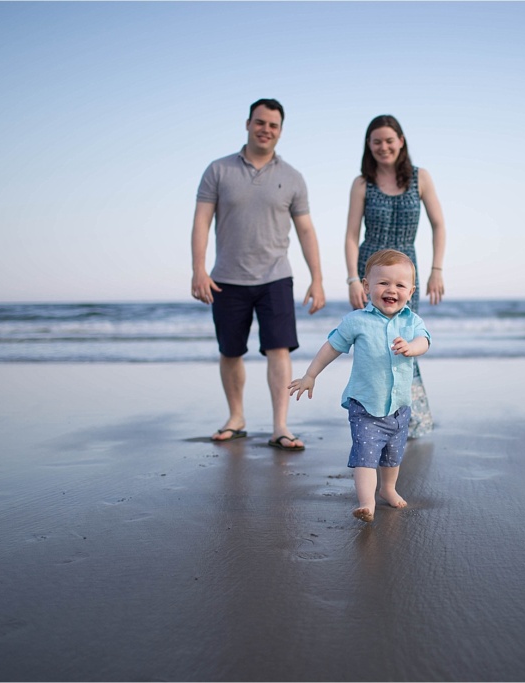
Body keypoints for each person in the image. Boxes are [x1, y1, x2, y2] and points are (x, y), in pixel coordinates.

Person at [190, 98, 325, 451]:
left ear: (281, 131)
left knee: (279, 349)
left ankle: (280, 426)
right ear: (248, 124)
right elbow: (201, 221)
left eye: (274, 125)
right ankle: (236, 418)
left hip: (276, 277)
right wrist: (198, 270)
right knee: (230, 351)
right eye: (260, 122)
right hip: (226, 277)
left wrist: (318, 278)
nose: (266, 129)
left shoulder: (292, 177)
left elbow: (306, 231)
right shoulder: (218, 170)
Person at [289, 250, 430, 523]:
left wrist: (412, 348)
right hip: (365, 406)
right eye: (383, 283)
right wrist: (310, 375)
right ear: (366, 286)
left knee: (392, 455)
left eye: (400, 285)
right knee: (365, 456)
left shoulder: (412, 322)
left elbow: (424, 341)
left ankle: (388, 488)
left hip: (399, 407)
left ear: (411, 291)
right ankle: (367, 502)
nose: (391, 290)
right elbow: (331, 347)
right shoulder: (356, 321)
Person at [344, 114, 446, 439]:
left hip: (405, 271)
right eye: (376, 142)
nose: (383, 147)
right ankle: (372, 415)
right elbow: (350, 234)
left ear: (401, 141)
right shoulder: (362, 183)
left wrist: (436, 270)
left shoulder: (421, 178)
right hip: (370, 270)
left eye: (389, 140)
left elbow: (439, 225)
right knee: (372, 342)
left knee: (405, 340)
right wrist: (351, 278)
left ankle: (408, 417)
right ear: (369, 146)